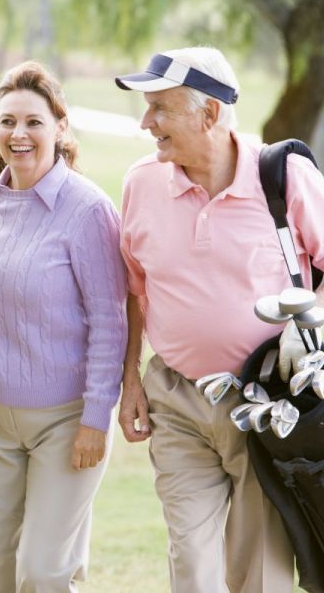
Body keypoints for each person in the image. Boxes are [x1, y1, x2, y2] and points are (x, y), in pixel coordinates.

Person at [115, 46, 324, 592]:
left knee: (259, 569)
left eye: (160, 108)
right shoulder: (141, 183)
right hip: (177, 396)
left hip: (266, 402)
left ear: (209, 114)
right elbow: (137, 290)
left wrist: (308, 344)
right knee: (190, 560)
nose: (146, 123)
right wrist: (131, 379)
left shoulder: (283, 175)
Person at [0, 61, 127, 593]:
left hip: (65, 421)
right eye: (7, 121)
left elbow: (110, 323)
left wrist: (96, 418)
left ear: (60, 128)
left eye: (33, 122)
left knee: (44, 572)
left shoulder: (88, 209)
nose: (18, 135)